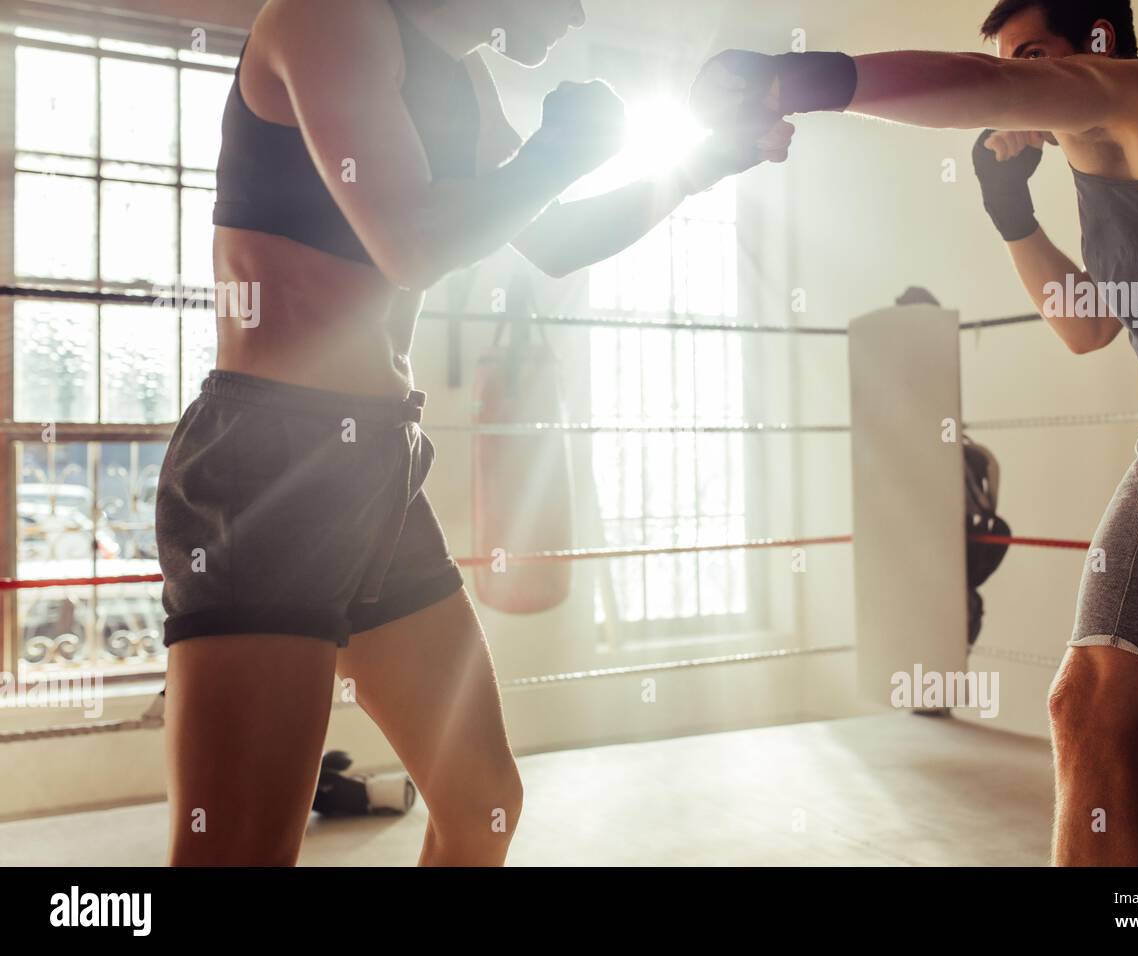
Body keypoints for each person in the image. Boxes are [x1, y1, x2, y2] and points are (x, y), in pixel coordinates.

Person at [157, 0, 791, 867]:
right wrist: (558, 152)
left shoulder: (464, 76)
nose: (572, 18)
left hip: (379, 465)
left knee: (484, 802)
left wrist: (705, 164)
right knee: (236, 853)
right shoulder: (327, 16)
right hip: (273, 464)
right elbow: (410, 244)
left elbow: (554, 239)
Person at [689, 0, 1138, 866]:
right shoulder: (1122, 149)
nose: (1021, 78)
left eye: (1035, 56)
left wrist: (794, 79)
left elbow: (979, 83)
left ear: (1097, 43)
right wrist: (1010, 211)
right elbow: (1088, 325)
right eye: (1013, 59)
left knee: (1087, 706)